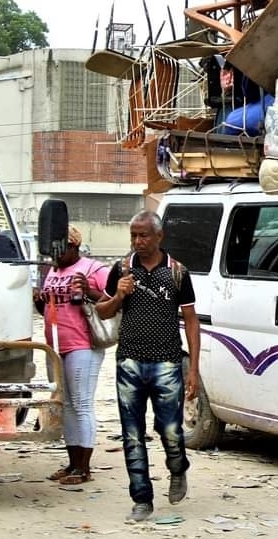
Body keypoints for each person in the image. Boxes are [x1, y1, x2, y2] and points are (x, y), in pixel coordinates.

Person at [95, 211, 201, 523]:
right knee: (132, 433)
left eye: (143, 235)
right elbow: (102, 311)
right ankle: (141, 498)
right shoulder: (122, 268)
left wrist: (192, 369)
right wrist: (118, 295)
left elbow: (192, 322)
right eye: (133, 236)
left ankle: (178, 467)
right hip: (129, 361)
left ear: (159, 237)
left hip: (167, 363)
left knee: (170, 430)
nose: (138, 241)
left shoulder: (178, 272)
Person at [32, 225, 110, 485]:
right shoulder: (53, 270)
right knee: (65, 405)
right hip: (55, 345)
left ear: (74, 246)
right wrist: (40, 300)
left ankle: (84, 467)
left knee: (82, 404)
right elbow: (48, 307)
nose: (55, 255)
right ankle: (73, 463)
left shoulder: (93, 269)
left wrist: (89, 291)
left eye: (60, 249)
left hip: (82, 344)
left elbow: (113, 301)